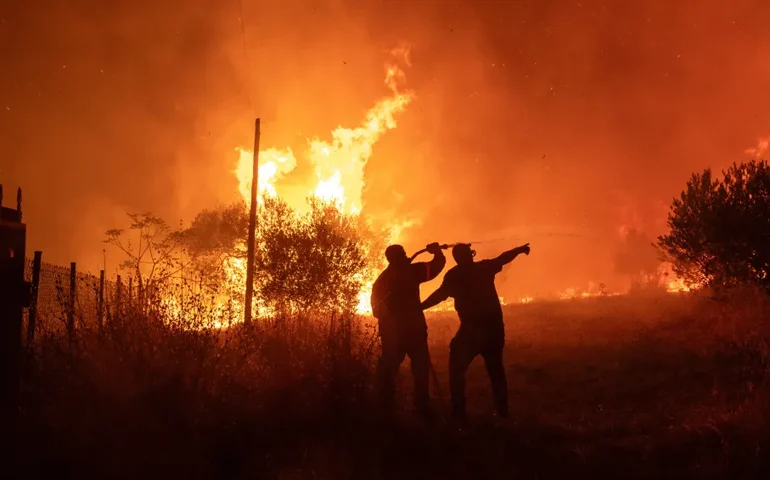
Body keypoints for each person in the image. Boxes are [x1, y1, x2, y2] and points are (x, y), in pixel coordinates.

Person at [420, 242, 530, 422]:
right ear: (471, 254)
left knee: (456, 368)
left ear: (456, 258)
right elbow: (503, 257)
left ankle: (459, 413)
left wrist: (420, 307)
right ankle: (503, 413)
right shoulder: (484, 268)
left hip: (471, 329)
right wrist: (518, 250)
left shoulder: (454, 275)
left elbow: (440, 295)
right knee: (496, 370)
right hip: (494, 328)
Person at [370, 242, 446, 421]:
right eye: (402, 254)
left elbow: (375, 310)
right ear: (397, 257)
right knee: (419, 368)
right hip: (413, 330)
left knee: (390, 368)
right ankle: (420, 405)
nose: (406, 256)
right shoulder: (412, 272)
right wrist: (437, 253)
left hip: (395, 334)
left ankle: (385, 404)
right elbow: (435, 268)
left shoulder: (382, 280)